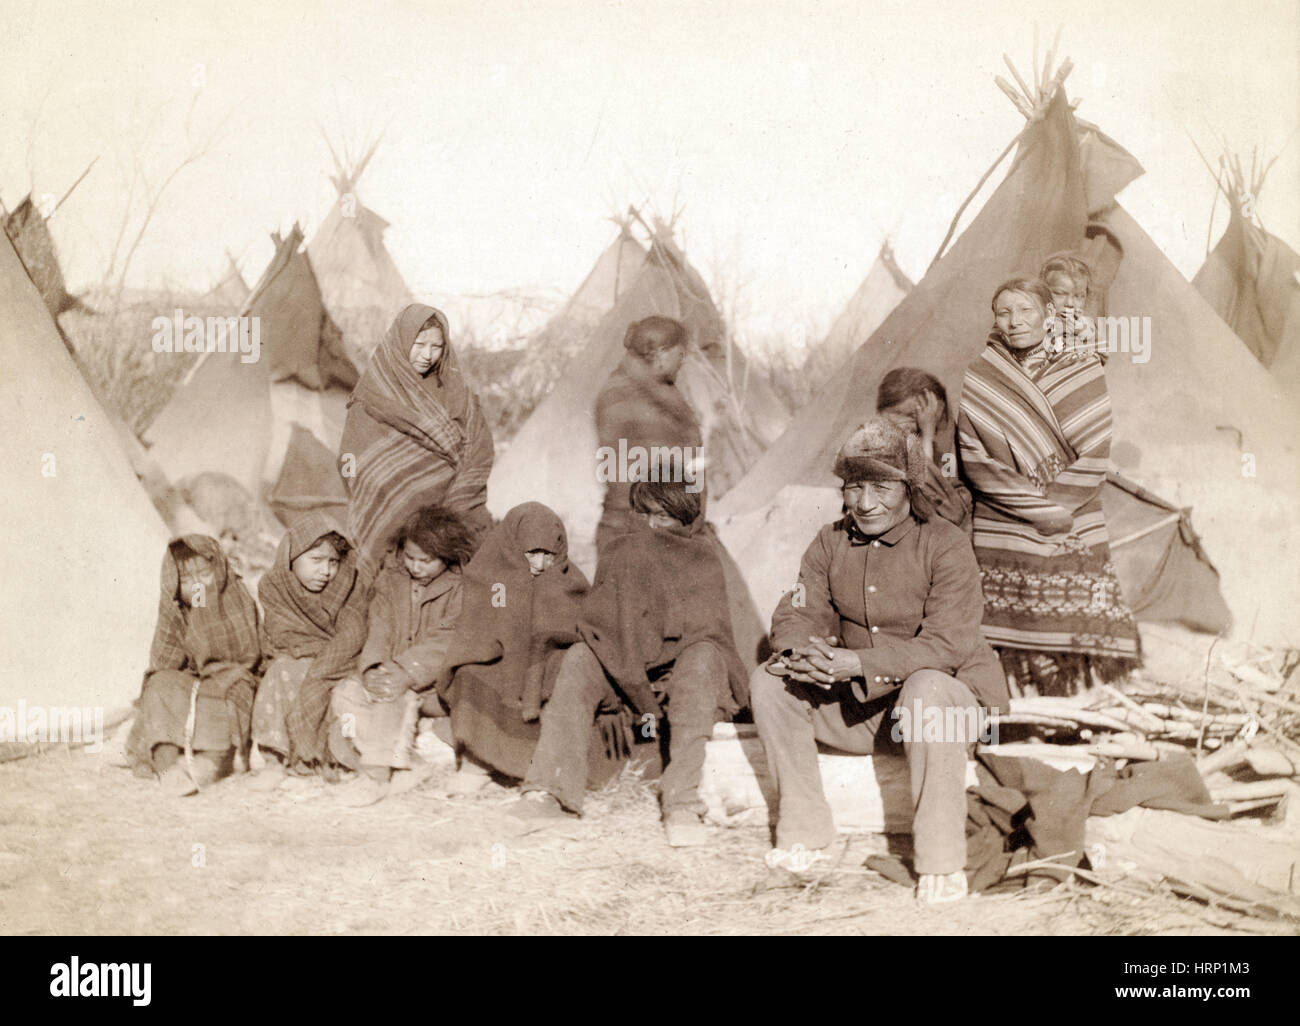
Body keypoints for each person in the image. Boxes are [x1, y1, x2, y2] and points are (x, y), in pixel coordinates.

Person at [748, 418, 1008, 903]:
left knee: (927, 686)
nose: (865, 502)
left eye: (882, 486)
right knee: (770, 679)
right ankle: (804, 832)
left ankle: (941, 860)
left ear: (909, 487)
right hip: (870, 714)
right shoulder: (830, 541)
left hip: (942, 710)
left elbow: (947, 646)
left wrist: (855, 665)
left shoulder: (945, 544)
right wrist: (801, 652)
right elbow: (798, 608)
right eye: (854, 486)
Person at [513, 479, 747, 847]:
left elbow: (711, 635)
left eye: (665, 518)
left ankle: (682, 802)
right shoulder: (621, 551)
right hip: (625, 667)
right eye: (645, 515)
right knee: (579, 658)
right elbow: (604, 628)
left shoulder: (704, 557)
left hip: (681, 675)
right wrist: (635, 685)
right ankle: (551, 791)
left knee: (701, 661)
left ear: (686, 519)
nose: (652, 527)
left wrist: (655, 687)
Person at [957, 277, 1140, 696]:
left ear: (1049, 314)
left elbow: (1096, 448)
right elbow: (973, 454)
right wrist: (1033, 508)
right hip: (1003, 517)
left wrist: (1057, 507)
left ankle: (1072, 714)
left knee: (1073, 629)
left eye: (1025, 310)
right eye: (1004, 312)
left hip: (1071, 513)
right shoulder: (981, 374)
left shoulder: (1081, 365)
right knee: (1008, 637)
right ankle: (1017, 715)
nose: (1015, 321)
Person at [438, 502, 593, 788]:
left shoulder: (569, 580)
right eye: (532, 553)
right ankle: (479, 762)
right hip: (498, 659)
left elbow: (578, 631)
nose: (540, 563)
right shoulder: (488, 574)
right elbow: (478, 631)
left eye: (548, 554)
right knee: (471, 674)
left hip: (544, 665)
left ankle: (530, 766)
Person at [328, 505, 475, 806]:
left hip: (432, 684)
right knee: (346, 693)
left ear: (447, 556)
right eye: (410, 557)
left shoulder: (459, 588)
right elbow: (379, 626)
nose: (416, 567)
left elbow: (448, 637)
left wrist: (406, 671)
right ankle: (408, 764)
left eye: (426, 561)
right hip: (391, 673)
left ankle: (376, 776)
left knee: (393, 697)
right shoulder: (391, 581)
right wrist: (374, 667)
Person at [340, 304, 495, 583]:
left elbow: (479, 451)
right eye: (419, 344)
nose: (427, 355)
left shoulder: (457, 394)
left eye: (436, 346)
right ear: (400, 343)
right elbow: (355, 464)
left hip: (457, 506)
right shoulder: (372, 397)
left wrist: (450, 506)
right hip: (388, 515)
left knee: (481, 572)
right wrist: (402, 489)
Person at [127, 536, 261, 796]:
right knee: (160, 683)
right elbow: (164, 661)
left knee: (231, 693)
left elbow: (246, 655)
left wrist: (204, 613)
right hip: (193, 681)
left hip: (232, 676)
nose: (197, 584)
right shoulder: (175, 608)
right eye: (187, 580)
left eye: (204, 574)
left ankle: (211, 763)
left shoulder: (235, 596)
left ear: (219, 569)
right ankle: (167, 766)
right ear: (174, 584)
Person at [251, 512, 367, 788]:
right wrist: (312, 653)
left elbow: (353, 635)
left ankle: (321, 759)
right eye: (316, 561)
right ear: (291, 558)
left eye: (333, 562)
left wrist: (320, 663)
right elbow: (281, 634)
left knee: (335, 687)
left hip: (341, 662)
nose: (326, 571)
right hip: (297, 658)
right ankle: (275, 759)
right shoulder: (275, 587)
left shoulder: (349, 586)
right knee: (282, 672)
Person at [593, 315, 702, 559]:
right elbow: (625, 478)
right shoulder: (621, 396)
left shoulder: (660, 393)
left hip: (667, 527)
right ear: (662, 354)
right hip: (636, 535)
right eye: (680, 354)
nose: (682, 362)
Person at [876, 366, 973, 533]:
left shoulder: (949, 447)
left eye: (912, 415)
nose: (901, 423)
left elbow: (943, 504)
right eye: (896, 414)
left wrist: (927, 435)